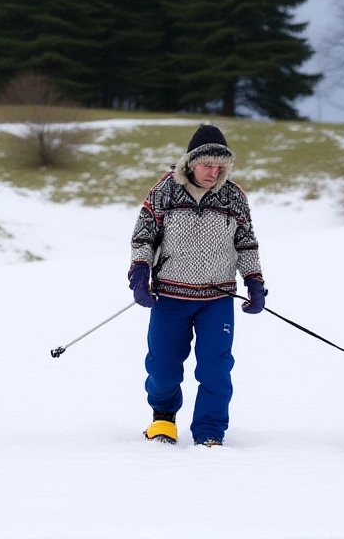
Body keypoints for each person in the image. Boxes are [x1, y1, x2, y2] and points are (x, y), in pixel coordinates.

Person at [128, 124, 267, 447]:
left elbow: (246, 243)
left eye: (221, 167)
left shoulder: (233, 196)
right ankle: (163, 420)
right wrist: (139, 273)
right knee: (163, 368)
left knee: (215, 370)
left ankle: (209, 432)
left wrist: (254, 282)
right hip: (170, 297)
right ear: (190, 162)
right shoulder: (165, 190)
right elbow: (143, 235)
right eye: (208, 165)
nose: (214, 172)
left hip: (217, 299)